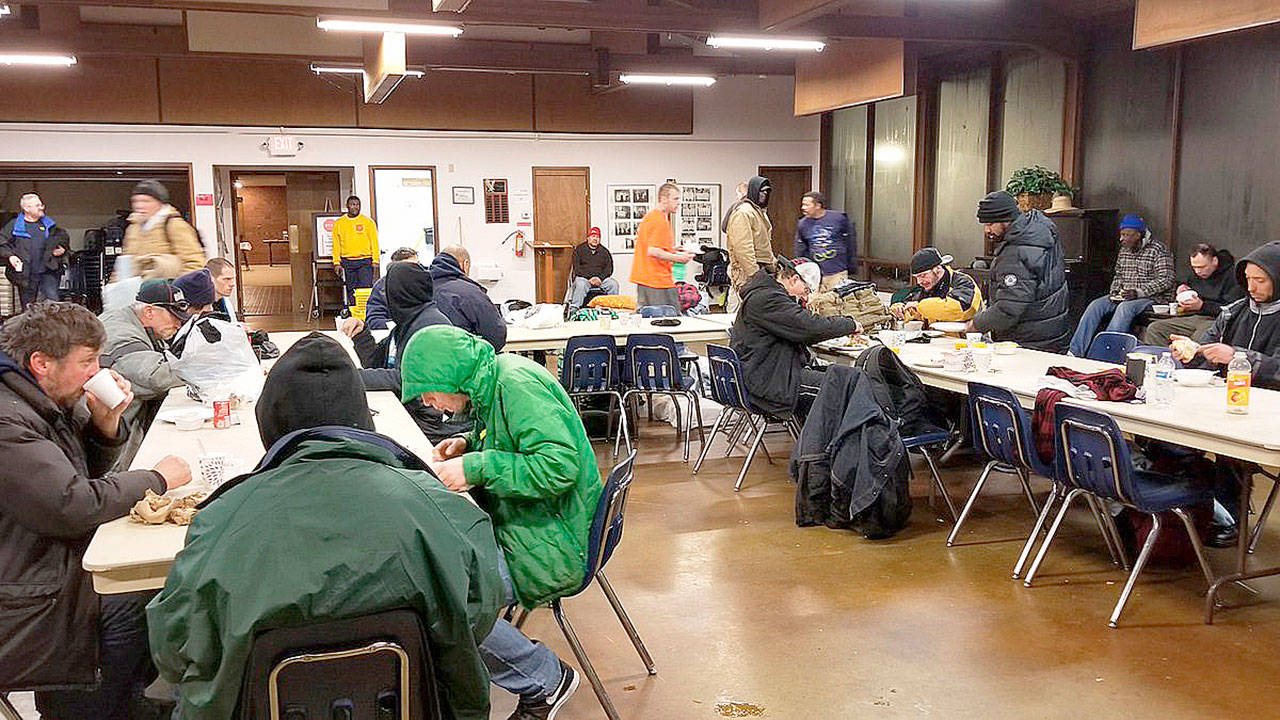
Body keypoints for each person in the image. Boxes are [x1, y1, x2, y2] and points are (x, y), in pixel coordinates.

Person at [147, 333, 504, 720]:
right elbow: (480, 612)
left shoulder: (220, 519)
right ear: (364, 418)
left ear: (270, 420)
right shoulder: (440, 507)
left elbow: (173, 650)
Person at [0, 302, 190, 719]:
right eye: (87, 361)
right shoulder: (8, 421)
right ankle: (90, 706)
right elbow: (72, 505)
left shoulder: (35, 401)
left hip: (38, 565)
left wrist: (104, 426)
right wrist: (154, 479)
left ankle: (121, 697)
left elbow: (67, 481)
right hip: (22, 594)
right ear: (41, 363)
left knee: (153, 589)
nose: (96, 371)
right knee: (138, 596)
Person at [400, 325, 600, 720]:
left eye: (429, 390)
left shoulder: (515, 384)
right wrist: (469, 443)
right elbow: (515, 442)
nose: (428, 401)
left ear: (450, 374)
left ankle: (544, 678)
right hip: (533, 525)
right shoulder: (495, 381)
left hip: (554, 541)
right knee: (439, 580)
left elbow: (558, 467)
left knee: (448, 601)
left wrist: (476, 466)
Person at [1169, 242, 1280, 546]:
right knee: (1170, 436)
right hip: (1223, 399)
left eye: (1261, 281)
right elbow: (1207, 347)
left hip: (1266, 409)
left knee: (1230, 446)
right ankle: (1195, 508)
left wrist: (1236, 356)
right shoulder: (1235, 312)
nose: (1251, 287)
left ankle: (1228, 516)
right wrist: (1189, 351)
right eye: (1247, 280)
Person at [342, 262, 467, 443]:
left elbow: (408, 379)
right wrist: (362, 335)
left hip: (427, 425)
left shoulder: (430, 328)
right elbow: (376, 364)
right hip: (410, 413)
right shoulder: (406, 323)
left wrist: (350, 376)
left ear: (400, 294)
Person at [731, 259, 861, 421]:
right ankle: (830, 443)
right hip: (771, 384)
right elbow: (809, 327)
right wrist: (850, 324)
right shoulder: (769, 299)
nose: (805, 296)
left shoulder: (764, 294)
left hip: (769, 374)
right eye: (806, 290)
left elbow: (802, 326)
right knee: (849, 389)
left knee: (854, 377)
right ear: (793, 280)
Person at [98, 279, 189, 470]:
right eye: (174, 317)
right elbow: (155, 377)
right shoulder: (121, 334)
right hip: (108, 449)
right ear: (149, 312)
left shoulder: (128, 320)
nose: (178, 324)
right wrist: (208, 367)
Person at [966, 191, 1071, 352]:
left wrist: (976, 324)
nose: (987, 231)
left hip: (1029, 340)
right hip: (1053, 333)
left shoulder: (1017, 250)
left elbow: (1009, 307)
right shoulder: (1037, 231)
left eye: (990, 224)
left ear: (1006, 219)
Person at [1068, 214, 1175, 356]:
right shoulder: (1124, 250)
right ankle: (1075, 351)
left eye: (1126, 235)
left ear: (1139, 235)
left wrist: (1138, 292)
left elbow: (1166, 279)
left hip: (1152, 298)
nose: (1122, 239)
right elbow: (1118, 275)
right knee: (1096, 305)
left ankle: (1106, 352)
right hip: (1125, 295)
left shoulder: (1158, 250)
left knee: (1125, 308)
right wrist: (1115, 292)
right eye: (1121, 234)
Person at [1143, 243, 1244, 347]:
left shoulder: (1233, 276)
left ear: (1214, 261)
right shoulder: (1194, 276)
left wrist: (1202, 306)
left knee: (1199, 338)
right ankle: (1164, 360)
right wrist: (1184, 292)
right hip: (1195, 317)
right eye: (1194, 267)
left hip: (1217, 319)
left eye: (1202, 267)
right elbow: (1193, 296)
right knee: (1155, 329)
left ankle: (1190, 362)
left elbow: (1233, 309)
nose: (1198, 271)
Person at [123, 180, 206, 279]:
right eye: (135, 201)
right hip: (137, 290)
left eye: (146, 201)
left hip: (166, 290)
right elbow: (125, 263)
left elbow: (195, 263)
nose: (139, 206)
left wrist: (176, 288)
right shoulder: (133, 228)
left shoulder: (174, 225)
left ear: (159, 203)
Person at [431, 245, 508, 350]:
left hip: (426, 361)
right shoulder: (471, 293)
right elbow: (496, 336)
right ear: (465, 264)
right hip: (463, 360)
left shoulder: (420, 289)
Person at [0, 192, 69, 309]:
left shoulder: (49, 224)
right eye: (37, 205)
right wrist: (10, 256)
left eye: (41, 205)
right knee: (28, 307)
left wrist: (63, 248)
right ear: (26, 208)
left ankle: (53, 327)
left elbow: (62, 238)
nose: (42, 207)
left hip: (47, 271)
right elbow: (2, 242)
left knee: (53, 303)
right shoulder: (15, 225)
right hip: (26, 273)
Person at [630, 182, 693, 310]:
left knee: (652, 320)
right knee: (667, 319)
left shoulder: (652, 217)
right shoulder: (658, 220)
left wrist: (673, 250)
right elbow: (653, 251)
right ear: (664, 199)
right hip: (656, 280)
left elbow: (653, 246)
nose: (678, 202)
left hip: (648, 279)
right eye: (675, 198)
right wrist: (680, 259)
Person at [889, 247, 982, 324]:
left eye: (923, 276)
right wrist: (900, 309)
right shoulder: (926, 288)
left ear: (937, 269)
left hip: (968, 342)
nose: (919, 282)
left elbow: (961, 309)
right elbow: (914, 310)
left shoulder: (963, 282)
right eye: (916, 277)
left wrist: (919, 306)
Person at [726, 175, 776, 308]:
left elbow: (764, 245)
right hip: (745, 273)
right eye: (761, 191)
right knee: (740, 312)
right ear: (754, 191)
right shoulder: (743, 212)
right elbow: (743, 249)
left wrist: (774, 265)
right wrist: (754, 275)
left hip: (761, 269)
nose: (764, 195)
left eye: (766, 192)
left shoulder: (757, 212)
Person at [794, 191, 857, 291]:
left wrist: (851, 265)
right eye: (802, 204)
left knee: (836, 302)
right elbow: (801, 249)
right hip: (815, 275)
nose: (803, 208)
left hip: (837, 272)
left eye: (807, 205)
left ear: (818, 205)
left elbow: (850, 242)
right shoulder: (802, 224)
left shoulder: (839, 219)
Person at [331, 194, 379, 306]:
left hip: (365, 261)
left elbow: (374, 242)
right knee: (351, 289)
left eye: (358, 205)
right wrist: (336, 263)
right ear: (347, 206)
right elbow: (336, 244)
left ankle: (365, 313)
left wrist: (375, 261)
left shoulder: (368, 222)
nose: (355, 207)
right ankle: (353, 313)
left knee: (365, 289)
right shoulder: (339, 223)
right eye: (353, 204)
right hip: (347, 261)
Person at [365, 246, 418, 330]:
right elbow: (374, 319)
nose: (414, 270)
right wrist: (399, 327)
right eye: (408, 267)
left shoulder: (424, 284)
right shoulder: (382, 287)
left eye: (417, 266)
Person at [567, 227, 620, 312]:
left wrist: (599, 278)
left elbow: (609, 269)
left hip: (600, 280)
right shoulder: (579, 250)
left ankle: (613, 310)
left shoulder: (605, 252)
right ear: (588, 238)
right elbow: (577, 268)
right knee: (580, 284)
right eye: (593, 236)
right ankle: (574, 309)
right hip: (584, 279)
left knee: (613, 284)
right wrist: (590, 278)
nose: (595, 239)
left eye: (597, 237)